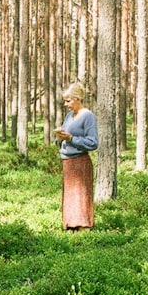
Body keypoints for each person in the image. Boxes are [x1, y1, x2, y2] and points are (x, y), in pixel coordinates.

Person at [54, 82, 99, 231]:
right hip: (67, 162)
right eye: (65, 101)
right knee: (71, 196)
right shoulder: (69, 116)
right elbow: (62, 140)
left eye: (68, 101)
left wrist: (71, 138)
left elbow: (93, 142)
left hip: (80, 161)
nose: (66, 104)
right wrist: (60, 137)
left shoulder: (88, 116)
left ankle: (83, 226)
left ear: (78, 99)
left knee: (80, 195)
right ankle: (71, 225)